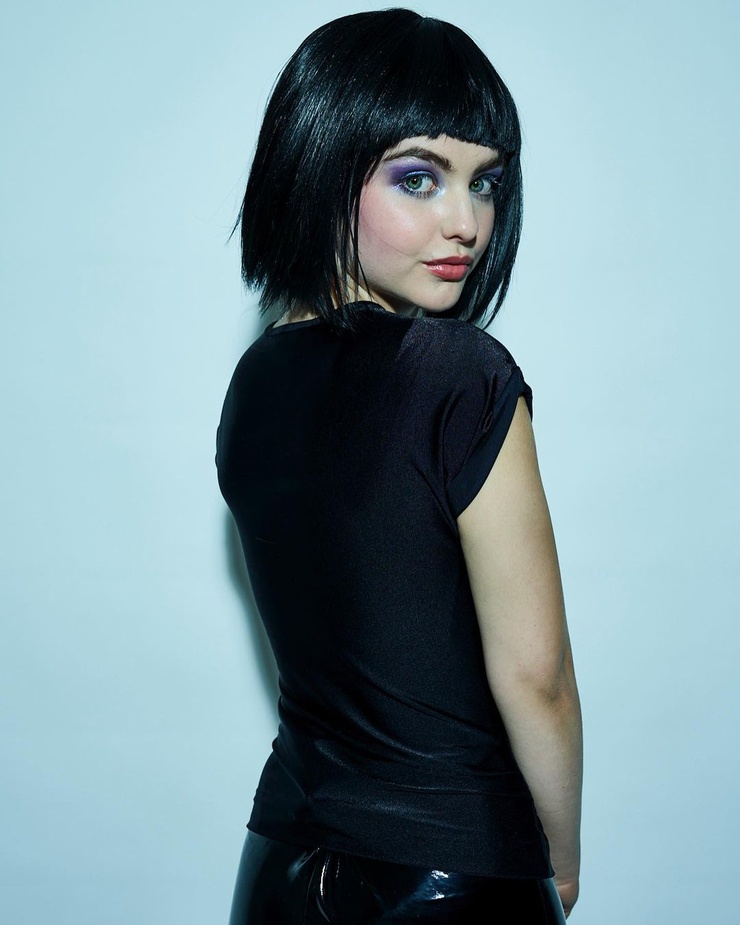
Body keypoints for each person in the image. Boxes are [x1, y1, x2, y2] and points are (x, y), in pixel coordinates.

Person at [216, 9, 583, 923]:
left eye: (485, 183)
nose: (466, 223)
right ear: (322, 168)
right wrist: (561, 856)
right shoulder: (460, 374)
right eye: (418, 178)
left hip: (280, 866)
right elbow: (535, 672)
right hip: (452, 871)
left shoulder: (254, 382)